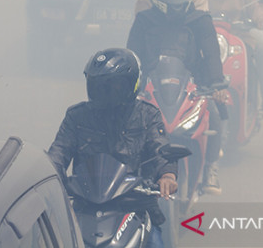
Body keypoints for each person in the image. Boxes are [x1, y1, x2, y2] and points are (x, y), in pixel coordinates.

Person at [47, 47, 178, 248]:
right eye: (100, 86)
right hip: (85, 207)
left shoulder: (147, 115)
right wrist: (48, 177)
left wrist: (167, 175)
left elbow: (160, 149)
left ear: (131, 84)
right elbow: (58, 152)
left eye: (114, 85)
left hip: (135, 206)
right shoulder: (77, 117)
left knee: (158, 244)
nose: (106, 91)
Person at [127, 0, 226, 195]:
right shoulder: (144, 20)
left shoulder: (200, 20)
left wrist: (217, 84)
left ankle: (211, 167)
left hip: (193, 85)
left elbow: (212, 54)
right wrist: (129, 87)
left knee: (216, 112)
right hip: (150, 87)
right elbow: (132, 56)